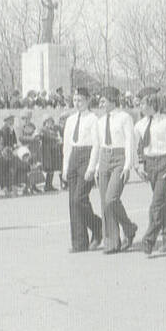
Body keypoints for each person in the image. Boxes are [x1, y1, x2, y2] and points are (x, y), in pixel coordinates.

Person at [91, 86, 137, 254]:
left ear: (112, 100)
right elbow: (98, 144)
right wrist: (96, 166)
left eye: (103, 100)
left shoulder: (125, 117)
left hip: (119, 158)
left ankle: (129, 227)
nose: (100, 103)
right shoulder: (100, 120)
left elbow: (129, 142)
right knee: (105, 202)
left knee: (112, 198)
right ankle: (111, 241)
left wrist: (127, 165)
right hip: (104, 157)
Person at [134, 92, 166, 255]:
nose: (140, 106)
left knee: (156, 203)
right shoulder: (139, 125)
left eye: (143, 104)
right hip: (150, 163)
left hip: (165, 162)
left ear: (153, 105)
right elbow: (136, 147)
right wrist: (139, 166)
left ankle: (149, 239)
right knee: (163, 202)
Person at [61, 87, 104, 252]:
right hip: (73, 156)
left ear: (87, 100)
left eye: (80, 100)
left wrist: (92, 167)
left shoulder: (93, 119)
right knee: (73, 202)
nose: (77, 103)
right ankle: (79, 242)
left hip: (86, 156)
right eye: (74, 100)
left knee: (80, 198)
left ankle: (97, 226)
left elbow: (96, 145)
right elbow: (67, 145)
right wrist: (65, 167)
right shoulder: (71, 120)